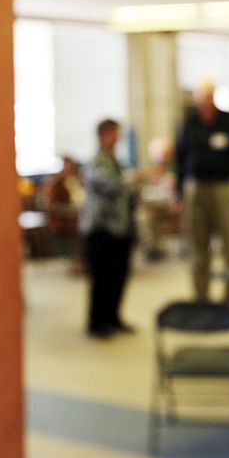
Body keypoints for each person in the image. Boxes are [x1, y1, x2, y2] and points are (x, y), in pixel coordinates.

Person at [175, 83, 229, 309]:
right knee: (198, 250)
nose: (206, 103)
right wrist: (179, 195)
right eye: (202, 98)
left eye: (210, 98)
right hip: (196, 189)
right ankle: (201, 301)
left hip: (228, 188)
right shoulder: (189, 122)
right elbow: (180, 159)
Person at [79, 119, 134, 339]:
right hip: (101, 228)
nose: (117, 138)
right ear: (103, 135)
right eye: (114, 134)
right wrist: (133, 181)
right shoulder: (96, 162)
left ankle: (113, 317)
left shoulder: (115, 161)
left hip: (120, 227)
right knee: (101, 278)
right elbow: (109, 185)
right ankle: (97, 322)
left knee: (117, 276)